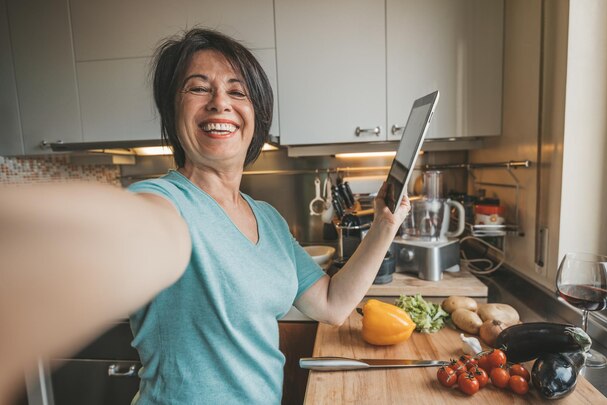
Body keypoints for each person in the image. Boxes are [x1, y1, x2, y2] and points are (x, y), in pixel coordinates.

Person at [0, 28, 410, 405]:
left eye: (238, 91)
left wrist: (384, 225)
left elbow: (332, 304)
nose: (220, 102)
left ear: (257, 115)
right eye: (198, 88)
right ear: (172, 112)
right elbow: (134, 235)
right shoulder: (163, 203)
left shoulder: (267, 218)